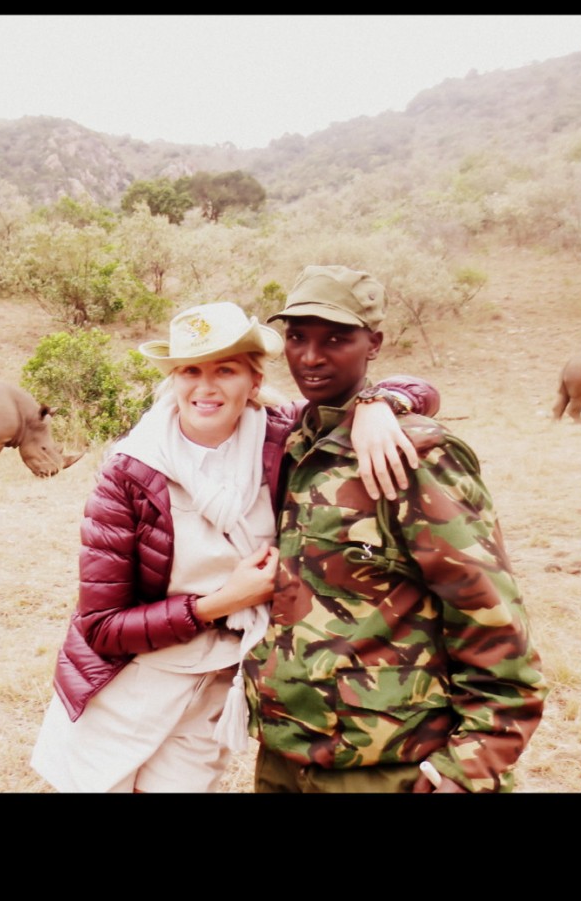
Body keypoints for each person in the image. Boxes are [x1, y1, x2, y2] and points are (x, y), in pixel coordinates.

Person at [30, 300, 438, 793]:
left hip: (220, 680)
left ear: (255, 381)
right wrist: (225, 601)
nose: (205, 387)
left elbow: (422, 390)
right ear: (174, 379)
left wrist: (377, 404)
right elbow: (101, 627)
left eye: (225, 370)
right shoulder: (130, 470)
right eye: (190, 370)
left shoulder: (286, 437)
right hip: (126, 681)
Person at [244, 265, 546, 793]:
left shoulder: (414, 452)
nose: (310, 357)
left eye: (336, 339)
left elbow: (486, 607)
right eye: (297, 338)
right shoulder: (295, 441)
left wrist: (473, 761)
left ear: (374, 344)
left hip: (392, 764)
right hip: (288, 752)